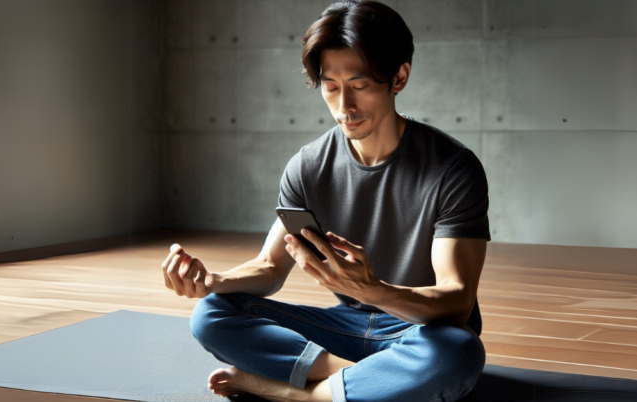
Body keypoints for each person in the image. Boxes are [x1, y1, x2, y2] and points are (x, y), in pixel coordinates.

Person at [162, 1, 489, 401]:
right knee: (211, 313)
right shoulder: (308, 166)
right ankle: (356, 385)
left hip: (420, 330)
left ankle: (300, 395)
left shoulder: (452, 168)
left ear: (399, 77)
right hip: (344, 329)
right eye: (331, 87)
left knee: (458, 353)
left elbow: (456, 301)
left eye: (360, 85)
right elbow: (269, 267)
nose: (344, 107)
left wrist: (375, 291)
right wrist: (215, 281)